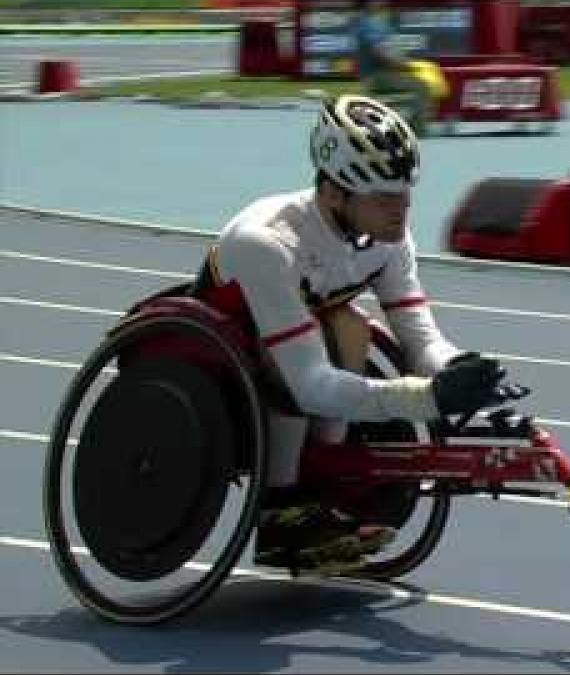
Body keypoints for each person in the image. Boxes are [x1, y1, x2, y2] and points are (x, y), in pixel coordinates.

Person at [191, 95, 512, 575]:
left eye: (406, 193)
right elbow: (311, 384)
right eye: (384, 197)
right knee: (333, 333)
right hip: (228, 355)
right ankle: (279, 507)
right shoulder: (270, 243)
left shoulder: (387, 241)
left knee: (351, 326)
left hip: (307, 337)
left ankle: (320, 487)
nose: (400, 210)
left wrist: (458, 369)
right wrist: (425, 399)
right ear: (335, 192)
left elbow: (419, 337)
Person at [353, 0, 448, 135]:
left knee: (429, 75)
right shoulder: (367, 24)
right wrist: (404, 66)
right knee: (421, 85)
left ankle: (417, 122)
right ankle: (418, 129)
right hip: (376, 77)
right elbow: (380, 54)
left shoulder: (377, 22)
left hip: (387, 73)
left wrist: (405, 64)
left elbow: (391, 51)